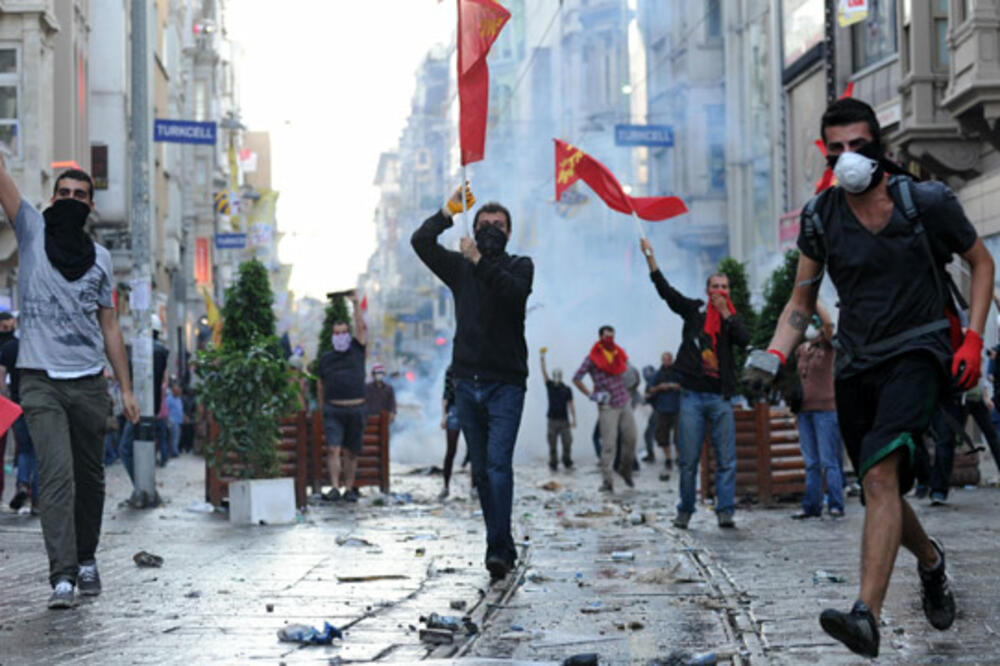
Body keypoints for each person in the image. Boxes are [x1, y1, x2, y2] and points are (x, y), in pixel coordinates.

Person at [744, 98, 993, 657]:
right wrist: (774, 356)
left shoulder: (922, 200)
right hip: (858, 365)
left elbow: (981, 262)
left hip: (919, 352)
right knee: (880, 490)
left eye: (857, 146)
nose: (847, 157)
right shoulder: (820, 216)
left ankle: (866, 616)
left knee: (879, 480)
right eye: (836, 150)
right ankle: (930, 561)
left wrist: (974, 338)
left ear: (879, 146)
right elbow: (801, 303)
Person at [0, 162, 140, 609]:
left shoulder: (100, 259)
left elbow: (111, 326)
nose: (72, 200)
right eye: (65, 193)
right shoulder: (30, 230)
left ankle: (85, 557)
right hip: (39, 380)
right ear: (52, 197)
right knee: (56, 477)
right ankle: (61, 576)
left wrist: (127, 388)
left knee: (90, 479)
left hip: (87, 383)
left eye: (81, 195)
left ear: (90, 206)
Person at [411, 184, 533, 581]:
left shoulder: (520, 266)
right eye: (484, 223)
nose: (491, 229)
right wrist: (447, 211)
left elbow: (512, 297)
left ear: (509, 233)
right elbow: (422, 241)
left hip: (506, 384)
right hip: (467, 382)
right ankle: (502, 543)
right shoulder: (460, 266)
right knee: (481, 471)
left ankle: (496, 549)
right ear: (474, 226)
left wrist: (479, 258)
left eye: (499, 225)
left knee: (499, 466)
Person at [640, 242, 750, 529]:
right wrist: (650, 256)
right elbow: (667, 292)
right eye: (715, 286)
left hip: (720, 398)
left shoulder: (732, 319)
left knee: (726, 459)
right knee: (688, 460)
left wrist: (726, 313)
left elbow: (743, 339)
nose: (720, 292)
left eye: (724, 287)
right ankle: (685, 509)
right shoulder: (694, 313)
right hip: (691, 397)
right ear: (707, 290)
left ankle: (725, 510)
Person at [791, 307, 845, 519]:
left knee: (828, 460)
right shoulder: (802, 349)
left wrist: (814, 299)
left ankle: (836, 503)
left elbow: (829, 326)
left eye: (815, 324)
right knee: (811, 462)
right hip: (804, 411)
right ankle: (811, 506)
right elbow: (793, 323)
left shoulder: (829, 347)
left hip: (826, 410)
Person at [572, 325, 637, 493]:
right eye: (607, 337)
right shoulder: (592, 358)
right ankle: (607, 481)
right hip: (607, 405)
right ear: (600, 338)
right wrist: (591, 395)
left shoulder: (618, 353)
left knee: (631, 438)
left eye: (612, 337)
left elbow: (629, 374)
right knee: (609, 444)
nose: (610, 340)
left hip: (623, 400)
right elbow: (577, 378)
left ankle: (625, 470)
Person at [317, 292, 367, 503]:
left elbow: (361, 328)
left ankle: (349, 488)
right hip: (333, 409)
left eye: (344, 332)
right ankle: (335, 487)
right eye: (337, 333)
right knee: (333, 448)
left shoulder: (357, 350)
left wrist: (355, 304)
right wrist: (322, 407)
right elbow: (320, 383)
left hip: (356, 408)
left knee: (352, 452)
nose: (341, 336)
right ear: (332, 336)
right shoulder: (327, 358)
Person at [0, 312, 39, 513]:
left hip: (17, 405)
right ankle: (38, 501)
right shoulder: (39, 346)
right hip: (40, 405)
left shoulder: (8, 348)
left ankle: (23, 484)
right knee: (39, 451)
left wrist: (5, 401)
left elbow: (1, 381)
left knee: (24, 449)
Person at [645, 352, 681, 481]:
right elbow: (649, 390)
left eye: (669, 360)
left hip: (677, 408)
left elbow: (686, 387)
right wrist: (660, 387)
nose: (667, 362)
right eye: (665, 360)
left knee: (678, 436)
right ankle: (668, 459)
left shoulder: (678, 373)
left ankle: (678, 458)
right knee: (662, 436)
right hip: (662, 409)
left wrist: (675, 386)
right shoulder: (657, 375)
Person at [539, 347, 575, 471]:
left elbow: (571, 404)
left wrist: (574, 419)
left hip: (564, 421)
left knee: (567, 442)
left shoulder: (567, 389)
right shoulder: (550, 387)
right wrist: (542, 358)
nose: (556, 377)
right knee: (552, 444)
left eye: (558, 375)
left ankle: (567, 460)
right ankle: (553, 463)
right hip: (552, 420)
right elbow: (544, 372)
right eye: (555, 375)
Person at [439, 364, 466, 500]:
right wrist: (444, 416)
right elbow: (446, 394)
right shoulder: (451, 368)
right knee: (451, 450)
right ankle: (446, 486)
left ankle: (474, 487)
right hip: (455, 409)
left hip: (469, 409)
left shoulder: (474, 366)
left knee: (474, 452)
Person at [165, 381, 184, 459]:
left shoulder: (178, 399)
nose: (179, 392)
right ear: (173, 391)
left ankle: (174, 450)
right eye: (177, 391)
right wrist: (169, 420)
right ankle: (174, 452)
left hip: (179, 421)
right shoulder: (169, 399)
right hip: (172, 421)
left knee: (177, 436)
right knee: (174, 437)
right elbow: (166, 410)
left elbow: (180, 409)